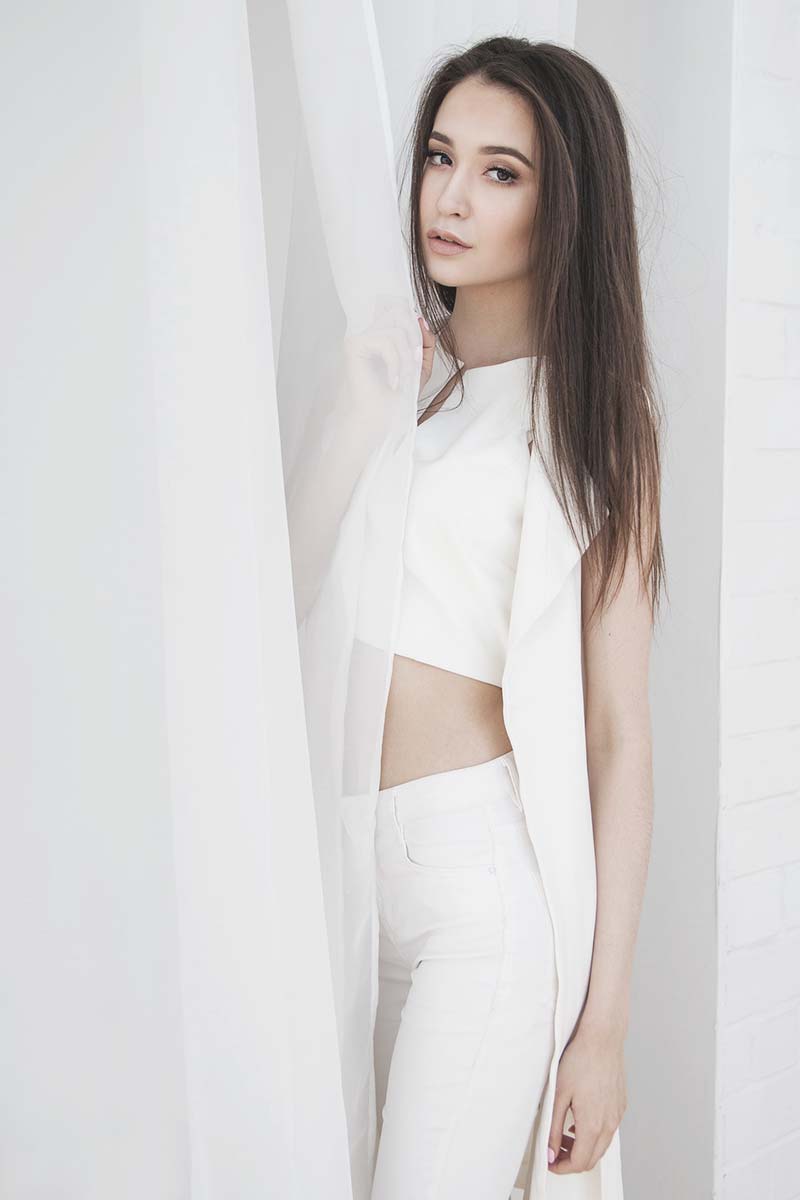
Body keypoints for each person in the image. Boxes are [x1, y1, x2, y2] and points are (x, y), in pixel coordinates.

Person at [371, 36, 664, 1200]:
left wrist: (603, 1024)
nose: (450, 197)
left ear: (564, 206)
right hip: (340, 869)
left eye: (501, 172)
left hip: (473, 891)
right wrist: (364, 405)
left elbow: (617, 733)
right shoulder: (394, 388)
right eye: (440, 157)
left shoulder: (591, 423)